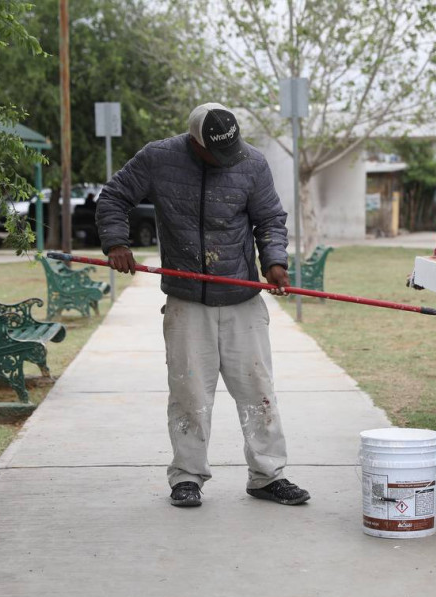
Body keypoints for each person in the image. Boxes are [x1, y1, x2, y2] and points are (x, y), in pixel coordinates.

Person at [96, 102, 310, 508]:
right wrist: (117, 243)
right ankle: (187, 477)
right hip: (186, 297)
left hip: (242, 295)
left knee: (258, 390)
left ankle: (267, 476)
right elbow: (113, 197)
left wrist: (275, 262)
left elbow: (269, 219)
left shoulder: (252, 162)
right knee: (189, 392)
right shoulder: (158, 157)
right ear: (196, 142)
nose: (226, 160)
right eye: (216, 153)